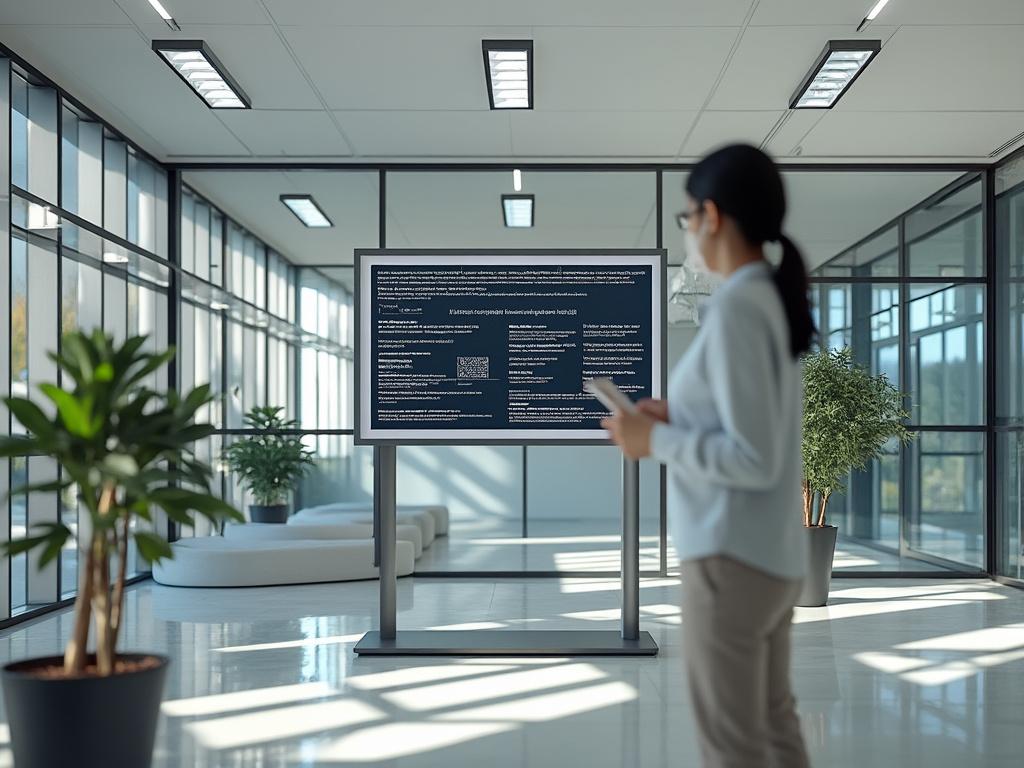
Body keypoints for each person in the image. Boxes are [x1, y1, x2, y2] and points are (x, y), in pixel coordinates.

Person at [602, 144, 814, 768]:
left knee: (732, 747)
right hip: (767, 557)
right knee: (773, 728)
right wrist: (679, 418)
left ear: (712, 215)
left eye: (687, 215)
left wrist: (652, 441)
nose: (688, 230)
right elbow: (758, 428)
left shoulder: (739, 308)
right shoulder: (765, 302)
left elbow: (754, 457)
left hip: (730, 560)